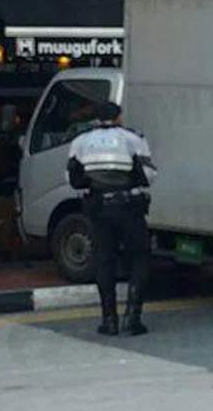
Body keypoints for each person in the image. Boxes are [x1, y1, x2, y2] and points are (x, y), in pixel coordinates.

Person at [67, 100, 158, 336]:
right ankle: (133, 318)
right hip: (129, 207)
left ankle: (109, 321)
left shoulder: (80, 142)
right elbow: (149, 174)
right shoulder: (132, 138)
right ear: (119, 117)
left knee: (104, 260)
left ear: (96, 119)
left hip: (99, 208)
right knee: (139, 258)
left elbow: (73, 179)